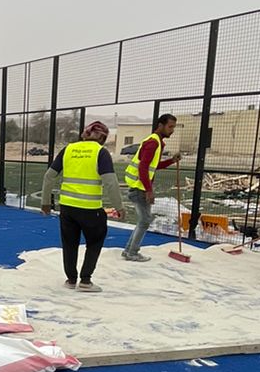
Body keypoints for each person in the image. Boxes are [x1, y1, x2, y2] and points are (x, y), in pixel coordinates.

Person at [40, 120, 122, 292]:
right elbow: (110, 182)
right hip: (90, 209)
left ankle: (71, 279)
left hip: (67, 207)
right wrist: (118, 206)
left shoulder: (68, 149)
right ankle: (85, 280)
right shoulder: (100, 152)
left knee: (69, 243)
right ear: (102, 137)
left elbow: (49, 176)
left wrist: (45, 202)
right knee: (95, 242)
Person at [121, 114, 180, 262]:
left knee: (144, 220)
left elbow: (153, 166)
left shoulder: (156, 142)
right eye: (170, 127)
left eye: (173, 127)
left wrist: (171, 161)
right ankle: (132, 252)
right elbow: (143, 167)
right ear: (160, 125)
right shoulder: (153, 143)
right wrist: (148, 190)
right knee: (145, 221)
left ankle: (129, 251)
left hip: (139, 186)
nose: (172, 130)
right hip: (139, 187)